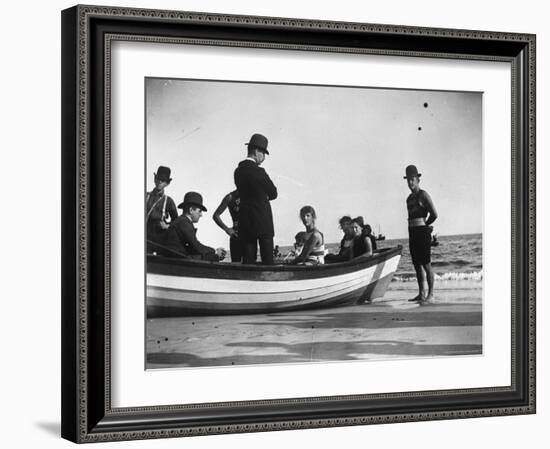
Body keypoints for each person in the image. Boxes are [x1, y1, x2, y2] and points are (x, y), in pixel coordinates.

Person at [234, 133, 278, 264]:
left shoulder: (238, 171)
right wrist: (263, 196)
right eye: (263, 153)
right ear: (256, 151)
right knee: (268, 260)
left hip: (245, 220)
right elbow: (274, 193)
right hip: (263, 219)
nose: (264, 157)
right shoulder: (260, 172)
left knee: (248, 260)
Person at [404, 164, 438, 304]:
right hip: (412, 233)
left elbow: (434, 214)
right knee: (417, 265)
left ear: (418, 180)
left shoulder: (423, 195)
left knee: (426, 264)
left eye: (413, 179)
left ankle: (431, 294)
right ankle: (421, 294)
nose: (411, 182)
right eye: (409, 180)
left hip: (422, 232)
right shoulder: (408, 199)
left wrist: (426, 226)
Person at [161, 191, 225, 261]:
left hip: (175, 257)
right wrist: (215, 251)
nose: (201, 215)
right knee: (212, 257)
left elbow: (193, 247)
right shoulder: (184, 222)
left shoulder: (181, 220)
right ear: (191, 210)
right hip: (176, 260)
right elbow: (196, 245)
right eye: (199, 211)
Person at [146, 166, 178, 253]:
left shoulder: (168, 201)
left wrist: (167, 226)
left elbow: (177, 222)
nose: (160, 182)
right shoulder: (145, 196)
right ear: (155, 179)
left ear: (167, 183)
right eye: (158, 178)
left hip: (158, 238)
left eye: (163, 180)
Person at [212, 190, 243, 262]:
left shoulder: (253, 195)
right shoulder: (230, 197)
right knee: (236, 265)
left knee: (250, 264)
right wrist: (226, 229)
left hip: (250, 238)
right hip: (236, 236)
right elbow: (216, 215)